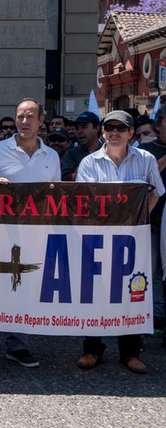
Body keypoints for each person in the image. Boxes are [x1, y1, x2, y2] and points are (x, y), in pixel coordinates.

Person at [0, 98, 61, 377]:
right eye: (20, 116)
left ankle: (18, 344)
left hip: (34, 233)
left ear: (41, 121)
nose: (24, 121)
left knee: (24, 288)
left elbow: (55, 194)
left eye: (30, 116)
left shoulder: (51, 156)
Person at [74, 110, 164, 374]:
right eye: (109, 128)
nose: (114, 133)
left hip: (133, 236)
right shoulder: (89, 162)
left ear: (131, 133)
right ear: (103, 132)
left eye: (120, 128)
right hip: (98, 236)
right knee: (95, 291)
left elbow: (157, 192)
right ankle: (92, 349)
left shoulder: (146, 159)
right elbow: (83, 200)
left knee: (133, 290)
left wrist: (140, 218)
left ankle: (130, 352)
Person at [131, 107, 166, 337]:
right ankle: (149, 317)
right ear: (158, 124)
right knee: (149, 273)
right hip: (151, 221)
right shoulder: (146, 152)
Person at [61, 111, 101, 181]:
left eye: (84, 127)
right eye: (77, 128)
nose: (79, 131)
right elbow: (65, 178)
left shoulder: (108, 151)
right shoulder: (71, 154)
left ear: (97, 128)